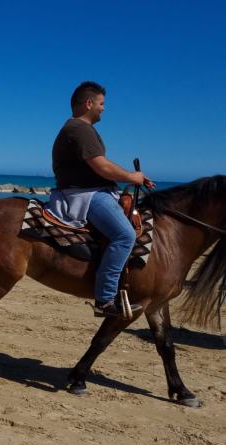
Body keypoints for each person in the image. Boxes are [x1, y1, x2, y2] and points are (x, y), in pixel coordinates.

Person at [48, 81, 155, 318]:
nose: (104, 108)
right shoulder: (79, 128)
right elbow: (102, 166)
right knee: (125, 235)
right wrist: (131, 176)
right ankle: (105, 299)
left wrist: (133, 180)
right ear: (88, 103)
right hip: (86, 195)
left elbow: (101, 169)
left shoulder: (81, 129)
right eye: (102, 103)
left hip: (91, 190)